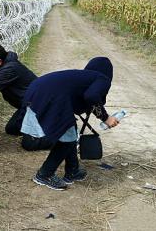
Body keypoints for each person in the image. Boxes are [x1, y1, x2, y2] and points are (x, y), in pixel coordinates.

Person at [21, 57, 119, 191]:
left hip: (36, 91)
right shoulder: (103, 79)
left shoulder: (84, 77)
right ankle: (45, 174)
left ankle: (73, 171)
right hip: (49, 97)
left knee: (70, 130)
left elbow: (81, 102)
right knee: (67, 139)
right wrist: (106, 118)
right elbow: (91, 96)